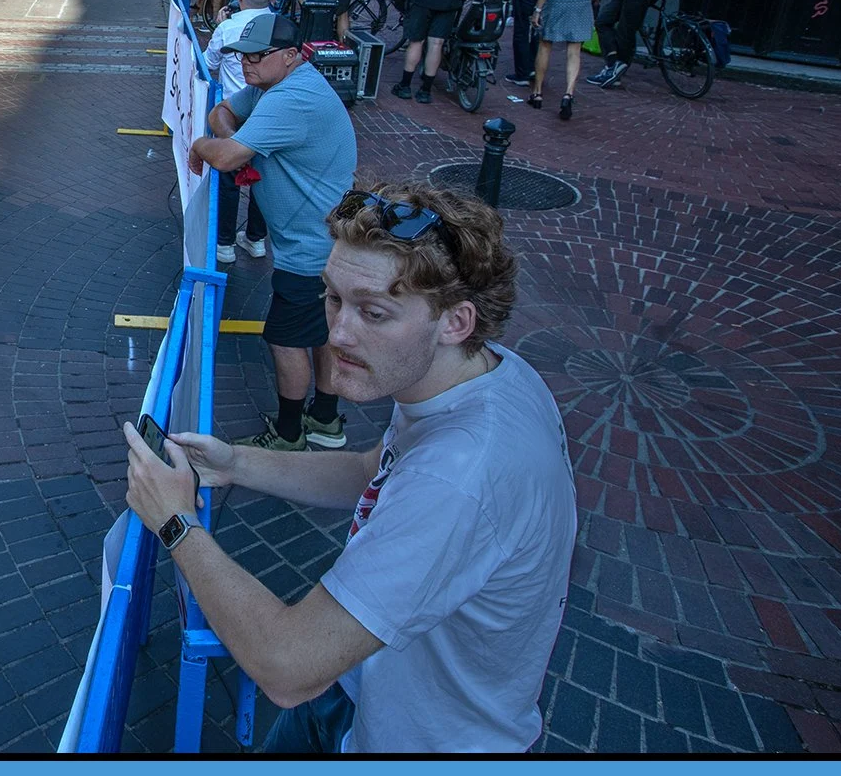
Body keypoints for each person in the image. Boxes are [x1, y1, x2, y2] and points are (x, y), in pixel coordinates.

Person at [120, 181, 575, 753]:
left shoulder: (459, 476)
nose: (337, 333)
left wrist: (175, 523)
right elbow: (371, 473)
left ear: (456, 322)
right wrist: (236, 464)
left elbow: (287, 666)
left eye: (374, 312)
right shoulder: (483, 372)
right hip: (360, 688)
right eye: (333, 297)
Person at [186, 11, 357, 452]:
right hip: (323, 241)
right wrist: (235, 140)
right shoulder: (272, 85)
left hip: (312, 249)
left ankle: (288, 434)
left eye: (257, 56)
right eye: (242, 56)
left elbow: (224, 156)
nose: (247, 64)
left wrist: (204, 145)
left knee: (284, 338)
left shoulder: (292, 99)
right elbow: (222, 110)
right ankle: (325, 419)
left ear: (290, 55)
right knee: (320, 330)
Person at [202, 0, 277, 264]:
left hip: (233, 114)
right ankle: (256, 239)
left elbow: (207, 63)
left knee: (229, 176)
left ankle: (224, 244)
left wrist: (220, 25)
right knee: (264, 177)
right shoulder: (280, 27)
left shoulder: (228, 27)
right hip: (269, 112)